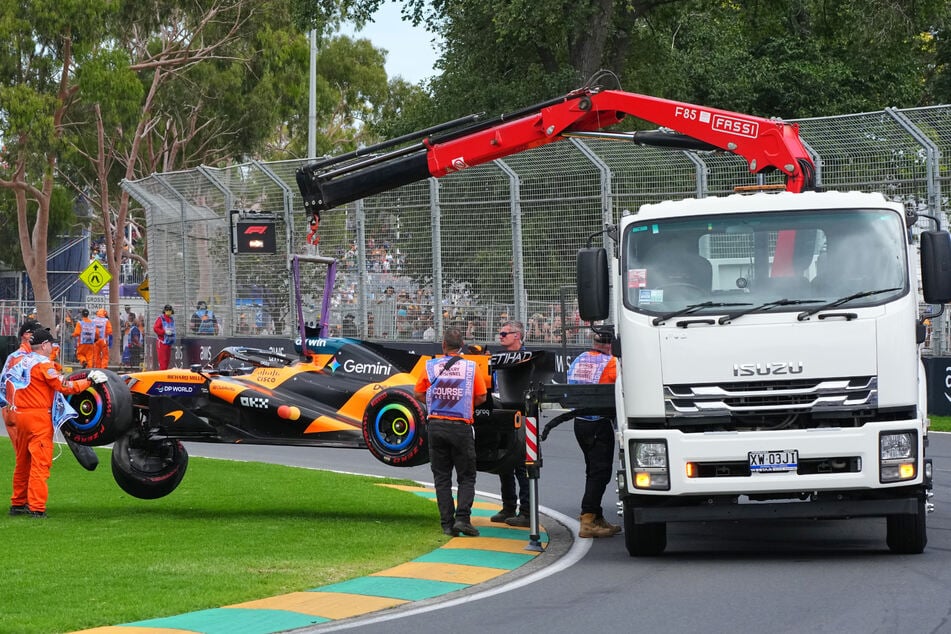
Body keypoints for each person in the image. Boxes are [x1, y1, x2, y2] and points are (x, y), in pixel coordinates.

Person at [3, 328, 107, 517]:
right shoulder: (43, 364)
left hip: (19, 415)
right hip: (38, 418)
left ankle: (17, 503)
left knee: (22, 462)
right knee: (40, 464)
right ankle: (36, 508)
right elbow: (64, 386)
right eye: (51, 344)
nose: (53, 347)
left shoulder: (18, 359)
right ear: (44, 345)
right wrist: (88, 381)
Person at [414, 328, 487, 537]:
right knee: (466, 475)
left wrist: (435, 402)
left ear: (443, 346)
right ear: (462, 345)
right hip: (461, 426)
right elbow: (481, 397)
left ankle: (447, 524)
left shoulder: (430, 366)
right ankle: (462, 519)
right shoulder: (471, 367)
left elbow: (418, 393)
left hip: (436, 425)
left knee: (441, 476)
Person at [567, 330, 621, 538]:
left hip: (580, 422)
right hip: (599, 422)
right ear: (611, 346)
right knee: (600, 473)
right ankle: (588, 518)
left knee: (592, 469)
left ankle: (597, 516)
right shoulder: (611, 363)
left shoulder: (580, 359)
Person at [491, 320, 532, 527]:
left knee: (522, 464)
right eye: (500, 333)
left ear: (517, 335)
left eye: (504, 333)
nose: (500, 336)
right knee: (503, 461)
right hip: (501, 413)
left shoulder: (528, 359)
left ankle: (526, 511)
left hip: (522, 416)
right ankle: (508, 506)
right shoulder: (497, 359)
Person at [1, 320, 42, 451]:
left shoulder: (22, 356)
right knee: (28, 456)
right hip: (19, 411)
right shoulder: (21, 358)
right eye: (35, 332)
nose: (39, 335)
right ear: (25, 335)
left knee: (25, 458)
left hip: (14, 410)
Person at [153, 304, 176, 370]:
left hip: (169, 342)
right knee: (163, 361)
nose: (168, 311)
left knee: (167, 361)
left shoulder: (171, 319)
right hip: (162, 342)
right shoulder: (161, 319)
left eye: (170, 310)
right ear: (164, 311)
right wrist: (164, 332)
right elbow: (155, 328)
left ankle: (165, 374)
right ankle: (162, 376)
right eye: (167, 310)